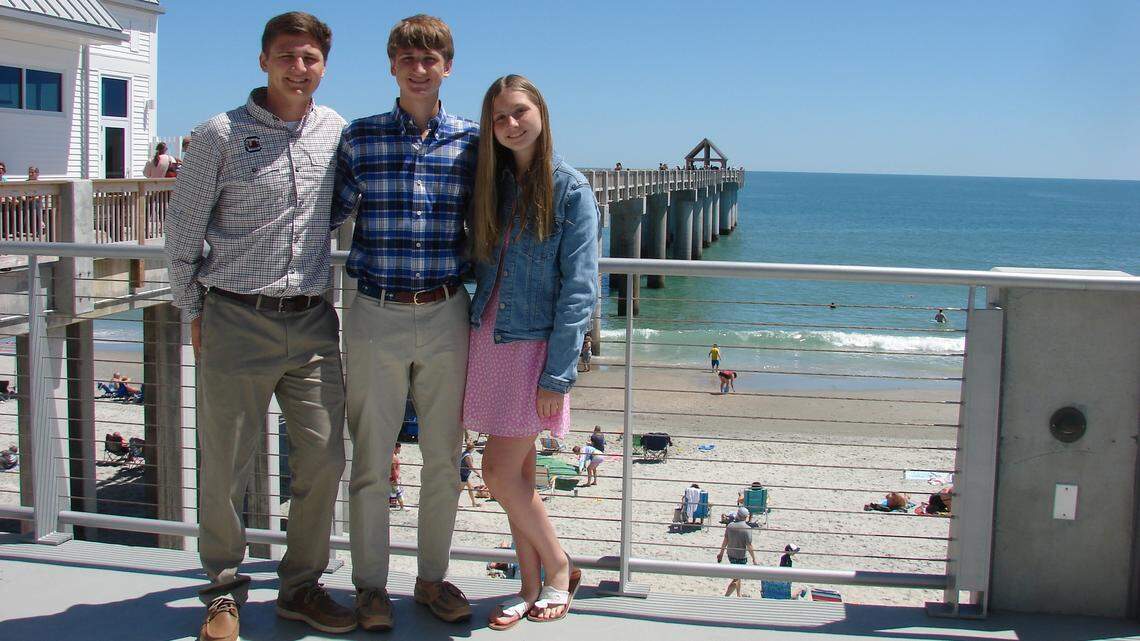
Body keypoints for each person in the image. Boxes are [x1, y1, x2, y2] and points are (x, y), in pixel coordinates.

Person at [164, 12, 354, 639]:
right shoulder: (219, 134)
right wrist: (195, 312)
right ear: (264, 61)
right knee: (226, 465)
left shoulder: (337, 132)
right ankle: (222, 589)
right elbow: (183, 234)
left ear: (324, 64)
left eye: (310, 58)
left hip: (312, 322)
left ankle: (301, 586)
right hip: (235, 318)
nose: (299, 67)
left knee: (325, 459)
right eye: (287, 56)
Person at [332, 14, 479, 631]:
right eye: (408, 59)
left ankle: (430, 578)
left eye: (431, 59)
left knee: (445, 456)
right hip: (373, 311)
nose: (420, 69)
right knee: (370, 457)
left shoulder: (475, 142)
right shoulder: (360, 138)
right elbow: (318, 220)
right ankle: (370, 587)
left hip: (447, 310)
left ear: (448, 66)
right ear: (392, 65)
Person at [463, 74, 598, 629]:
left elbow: (580, 290)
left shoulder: (570, 189)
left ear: (541, 112)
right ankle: (527, 581)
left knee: (496, 472)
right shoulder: (494, 183)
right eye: (499, 118)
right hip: (489, 338)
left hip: (533, 350)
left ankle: (561, 566)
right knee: (514, 475)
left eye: (519, 112)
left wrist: (558, 375)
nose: (510, 125)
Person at [717, 507, 758, 597]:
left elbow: (725, 541)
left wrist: (721, 553)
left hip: (730, 554)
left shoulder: (730, 526)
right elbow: (749, 545)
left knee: (738, 576)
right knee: (737, 578)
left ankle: (738, 595)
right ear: (746, 517)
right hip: (741, 556)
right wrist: (754, 558)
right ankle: (726, 596)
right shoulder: (747, 528)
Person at [458, 442, 481, 507]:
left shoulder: (464, 453)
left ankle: (474, 503)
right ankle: (454, 504)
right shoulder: (468, 456)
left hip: (464, 473)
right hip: (463, 474)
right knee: (460, 490)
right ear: (472, 448)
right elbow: (471, 467)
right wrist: (478, 473)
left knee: (470, 488)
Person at [389, 444, 405, 510]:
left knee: (394, 492)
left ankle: (393, 505)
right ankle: (402, 507)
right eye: (399, 448)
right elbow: (393, 470)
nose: (400, 450)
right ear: (395, 448)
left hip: (392, 478)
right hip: (393, 478)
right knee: (399, 493)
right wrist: (395, 480)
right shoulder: (393, 457)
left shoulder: (393, 456)